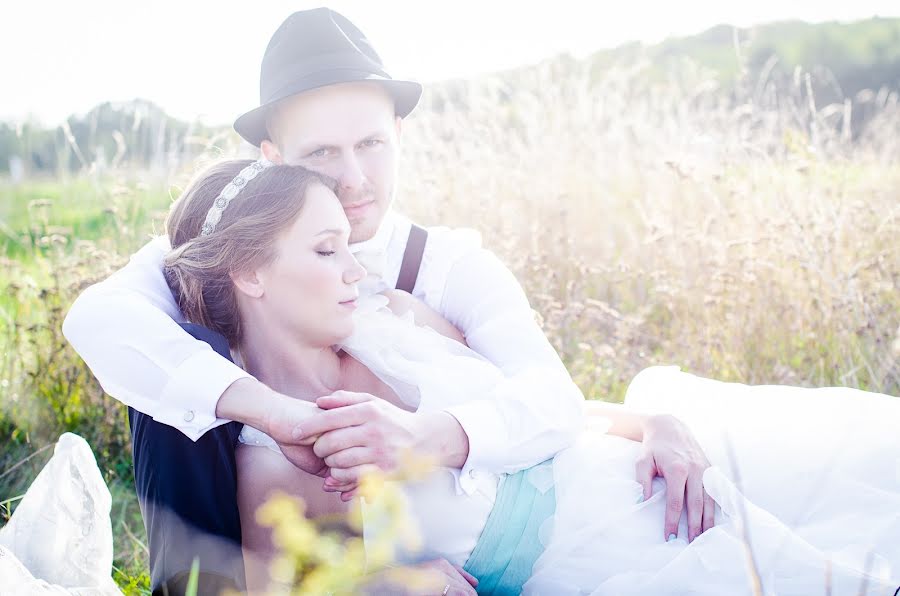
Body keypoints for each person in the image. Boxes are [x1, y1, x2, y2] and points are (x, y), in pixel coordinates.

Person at [62, 8, 713, 593]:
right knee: (171, 367)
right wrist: (281, 417)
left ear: (399, 132)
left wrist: (647, 422)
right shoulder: (231, 245)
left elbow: (543, 397)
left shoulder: (444, 267)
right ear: (273, 159)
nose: (353, 179)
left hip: (587, 498)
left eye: (371, 143)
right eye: (320, 154)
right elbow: (98, 320)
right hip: (293, 520)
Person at [161, 156, 900, 595]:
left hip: (634, 477)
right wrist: (390, 582)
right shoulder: (274, 464)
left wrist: (651, 424)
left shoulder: (398, 322)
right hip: (598, 564)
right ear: (252, 272)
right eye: (326, 251)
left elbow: (531, 414)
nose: (356, 268)